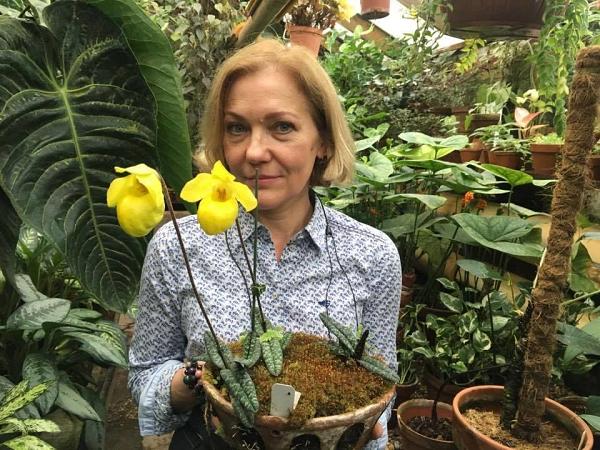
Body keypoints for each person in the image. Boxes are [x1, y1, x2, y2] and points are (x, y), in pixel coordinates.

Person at [128, 38, 402, 449]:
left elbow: (380, 383)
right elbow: (145, 373)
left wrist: (369, 426)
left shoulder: (371, 254)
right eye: (237, 128)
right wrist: (197, 379)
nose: (255, 152)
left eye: (282, 127)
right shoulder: (177, 246)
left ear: (323, 141)